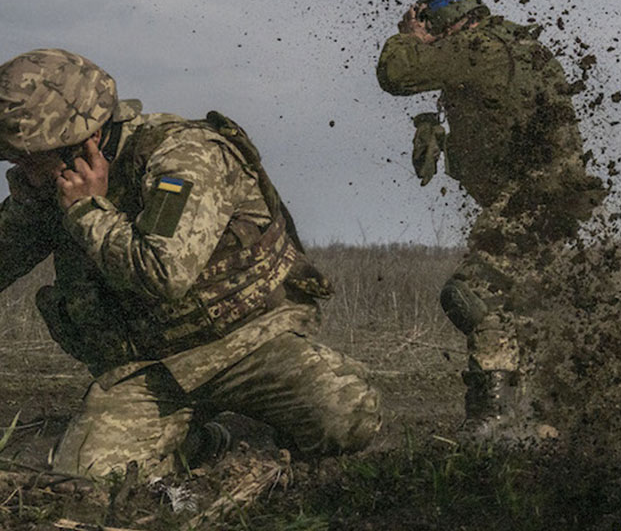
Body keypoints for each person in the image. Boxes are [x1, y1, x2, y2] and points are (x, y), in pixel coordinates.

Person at [0, 48, 381, 477]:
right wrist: (37, 207)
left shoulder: (183, 157)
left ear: (81, 142)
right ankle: (209, 440)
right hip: (150, 371)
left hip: (248, 344)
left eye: (28, 156)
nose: (18, 168)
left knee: (349, 416)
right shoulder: (52, 185)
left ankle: (248, 429)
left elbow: (164, 272)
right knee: (90, 475)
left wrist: (88, 211)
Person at [377, 0, 604, 438]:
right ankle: (544, 417)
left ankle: (497, 416)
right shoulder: (518, 46)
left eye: (432, 28)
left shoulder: (477, 45)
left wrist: (408, 36)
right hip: (551, 200)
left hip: (533, 201)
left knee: (472, 294)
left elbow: (396, 74)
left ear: (446, 23)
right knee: (521, 309)